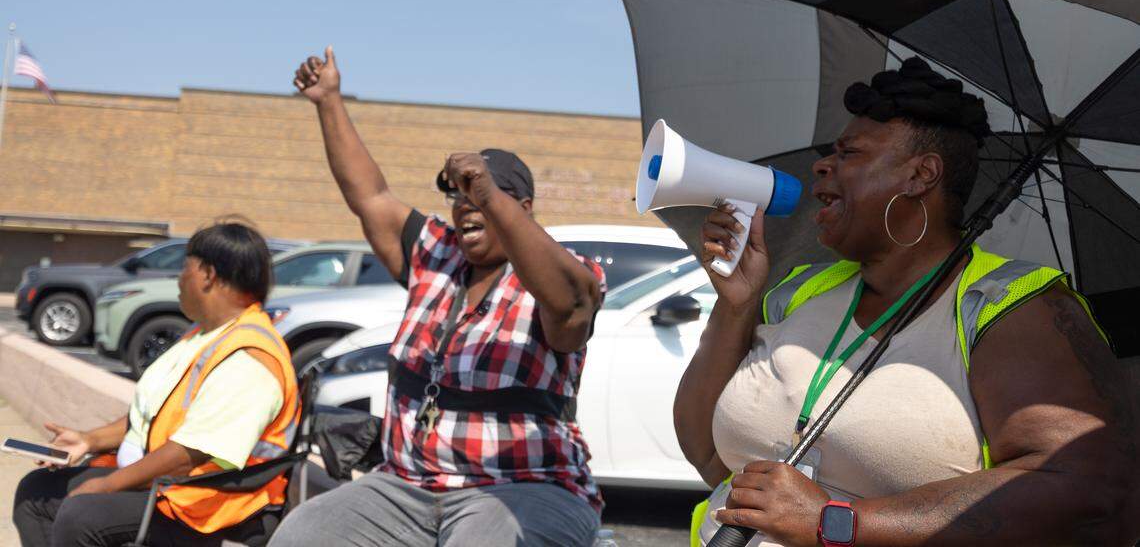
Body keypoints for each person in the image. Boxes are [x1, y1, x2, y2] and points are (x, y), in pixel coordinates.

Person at [678, 58, 1140, 546]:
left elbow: (1090, 491)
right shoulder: (799, 291)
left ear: (921, 176)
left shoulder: (1013, 308)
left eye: (850, 153)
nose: (822, 165)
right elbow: (707, 455)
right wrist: (735, 306)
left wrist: (835, 521)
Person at [270, 47, 606, 547]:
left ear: (524, 208)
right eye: (458, 197)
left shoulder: (557, 272)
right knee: (301, 536)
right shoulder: (437, 255)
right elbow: (371, 196)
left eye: (481, 196)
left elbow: (574, 305)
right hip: (404, 486)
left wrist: (491, 192)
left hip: (525, 488)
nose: (467, 206)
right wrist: (329, 101)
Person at [13, 222, 300, 547]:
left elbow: (187, 455)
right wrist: (89, 440)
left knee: (81, 514)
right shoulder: (205, 335)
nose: (178, 279)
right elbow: (154, 416)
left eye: (184, 268)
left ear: (207, 274)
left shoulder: (250, 358)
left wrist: (107, 486)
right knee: (35, 493)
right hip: (167, 482)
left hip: (206, 501)